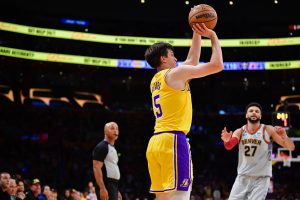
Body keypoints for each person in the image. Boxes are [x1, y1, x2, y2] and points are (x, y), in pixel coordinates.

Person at [144, 6, 224, 199]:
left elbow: (192, 59)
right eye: (172, 55)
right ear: (163, 58)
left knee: (162, 197)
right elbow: (217, 65)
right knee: (180, 196)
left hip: (155, 143)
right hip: (173, 140)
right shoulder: (174, 74)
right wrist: (213, 37)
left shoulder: (157, 79)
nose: (176, 58)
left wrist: (197, 32)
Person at [221, 102, 295, 200]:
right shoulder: (239, 131)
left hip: (261, 179)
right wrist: (226, 142)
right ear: (246, 115)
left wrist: (284, 136)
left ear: (260, 115)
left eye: (257, 111)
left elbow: (291, 147)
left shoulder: (268, 130)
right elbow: (229, 146)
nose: (254, 113)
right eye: (251, 111)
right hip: (242, 177)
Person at [92, 122, 122, 200]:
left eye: (117, 129)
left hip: (112, 185)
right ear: (105, 131)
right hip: (106, 184)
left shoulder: (112, 147)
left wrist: (116, 190)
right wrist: (102, 188)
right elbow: (96, 167)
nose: (115, 131)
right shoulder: (102, 147)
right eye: (112, 128)